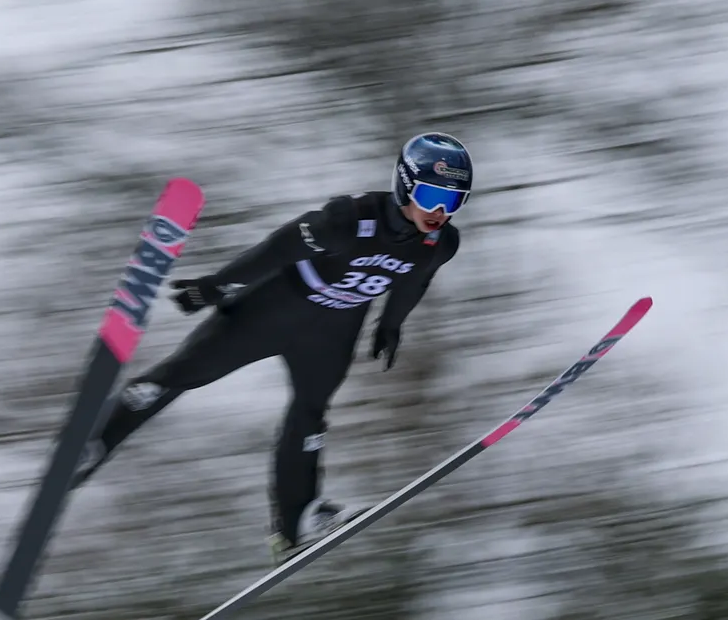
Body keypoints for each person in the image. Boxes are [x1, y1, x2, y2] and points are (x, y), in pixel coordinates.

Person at [71, 131, 473, 565]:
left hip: (334, 329)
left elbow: (416, 277)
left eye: (452, 201)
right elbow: (276, 249)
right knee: (182, 374)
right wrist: (214, 288)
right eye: (432, 195)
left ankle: (296, 522)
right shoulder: (349, 218)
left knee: (310, 415)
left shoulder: (442, 243)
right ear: (406, 184)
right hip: (274, 309)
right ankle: (93, 442)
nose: (438, 211)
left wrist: (391, 323)